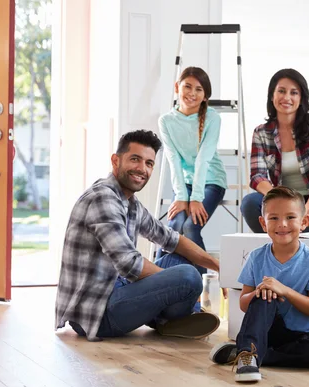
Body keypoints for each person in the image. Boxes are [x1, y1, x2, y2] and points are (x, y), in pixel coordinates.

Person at [55, 130, 221, 342]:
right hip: (98, 313)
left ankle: (170, 318)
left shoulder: (130, 203)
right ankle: (175, 316)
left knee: (183, 259)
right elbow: (129, 264)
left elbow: (172, 239)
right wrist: (174, 285)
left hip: (120, 290)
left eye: (149, 163)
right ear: (116, 161)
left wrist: (220, 268)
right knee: (188, 276)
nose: (142, 169)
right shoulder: (102, 198)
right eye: (135, 159)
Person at [209, 186, 309, 382]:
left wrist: (284, 290)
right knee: (265, 295)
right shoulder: (256, 257)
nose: (282, 224)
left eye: (290, 217)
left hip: (302, 335)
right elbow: (243, 303)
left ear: (304, 222)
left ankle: (247, 353)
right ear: (263, 224)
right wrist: (259, 292)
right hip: (266, 331)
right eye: (273, 218)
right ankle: (248, 357)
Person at [240, 68, 309, 235]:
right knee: (250, 203)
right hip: (286, 201)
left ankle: (305, 259)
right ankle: (274, 253)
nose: (287, 97)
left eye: (294, 93)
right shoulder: (261, 133)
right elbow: (257, 176)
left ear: (301, 98)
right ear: (272, 95)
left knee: (308, 220)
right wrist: (281, 199)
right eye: (281, 91)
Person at [156, 67, 227, 284]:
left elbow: (203, 159)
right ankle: (158, 280)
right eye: (187, 86)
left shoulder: (213, 119)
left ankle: (204, 288)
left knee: (190, 226)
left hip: (211, 181)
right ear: (177, 87)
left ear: (205, 96)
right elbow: (173, 160)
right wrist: (181, 196)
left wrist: (195, 198)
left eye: (199, 89)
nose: (192, 93)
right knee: (174, 227)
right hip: (185, 186)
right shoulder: (166, 121)